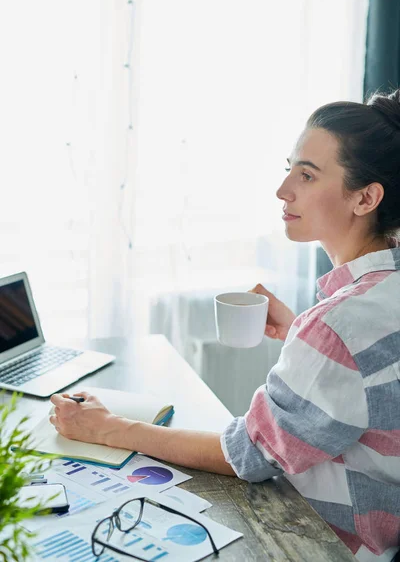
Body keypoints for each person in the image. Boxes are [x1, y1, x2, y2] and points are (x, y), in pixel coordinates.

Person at [50, 89, 400, 562]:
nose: (283, 190)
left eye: (307, 175)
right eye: (289, 168)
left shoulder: (340, 322)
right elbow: (376, 388)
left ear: (365, 198)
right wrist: (303, 331)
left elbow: (251, 455)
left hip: (331, 546)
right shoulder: (376, 297)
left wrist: (107, 428)